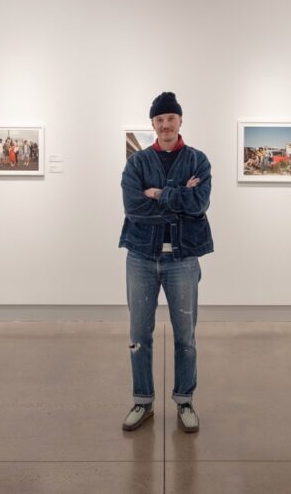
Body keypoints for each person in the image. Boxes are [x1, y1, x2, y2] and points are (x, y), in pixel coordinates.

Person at [119, 91, 213, 434]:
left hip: (184, 259)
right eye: (159, 120)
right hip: (142, 257)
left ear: (180, 121)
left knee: (185, 337)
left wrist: (159, 193)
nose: (165, 125)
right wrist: (179, 197)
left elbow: (199, 204)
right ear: (153, 124)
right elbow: (133, 208)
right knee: (138, 335)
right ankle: (142, 401)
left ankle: (184, 401)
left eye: (170, 118)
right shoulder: (137, 163)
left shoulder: (198, 161)